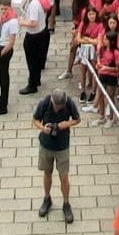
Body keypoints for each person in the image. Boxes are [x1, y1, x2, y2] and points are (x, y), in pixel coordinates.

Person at [33, 88, 79, 223]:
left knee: (64, 176)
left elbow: (77, 119)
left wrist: (66, 124)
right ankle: (47, 198)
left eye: (61, 107)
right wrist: (43, 128)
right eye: (56, 106)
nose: (58, 109)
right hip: (46, 144)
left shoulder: (69, 103)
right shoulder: (44, 103)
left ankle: (66, 203)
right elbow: (35, 120)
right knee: (47, 173)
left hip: (62, 146)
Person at [0, 0, 20, 117]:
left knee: (4, 76)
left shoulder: (12, 21)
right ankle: (2, 97)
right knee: (1, 75)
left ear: (10, 7)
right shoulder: (3, 17)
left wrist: (2, 52)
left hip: (5, 49)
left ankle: (3, 106)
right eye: (1, 8)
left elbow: (12, 41)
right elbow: (0, 30)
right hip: (0, 45)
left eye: (5, 9)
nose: (3, 11)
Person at [18, 0, 50, 95]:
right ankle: (37, 79)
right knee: (38, 59)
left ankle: (32, 85)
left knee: (32, 61)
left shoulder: (34, 5)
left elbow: (33, 23)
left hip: (33, 35)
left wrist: (22, 22)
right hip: (42, 32)